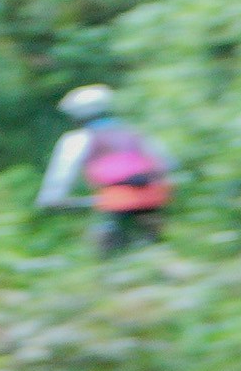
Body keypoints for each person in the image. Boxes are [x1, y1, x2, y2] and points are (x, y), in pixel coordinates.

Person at [34, 86, 175, 256]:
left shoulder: (78, 138)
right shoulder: (133, 131)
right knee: (153, 242)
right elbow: (167, 163)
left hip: (116, 200)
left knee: (107, 246)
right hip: (154, 195)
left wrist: (51, 198)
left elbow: (62, 173)